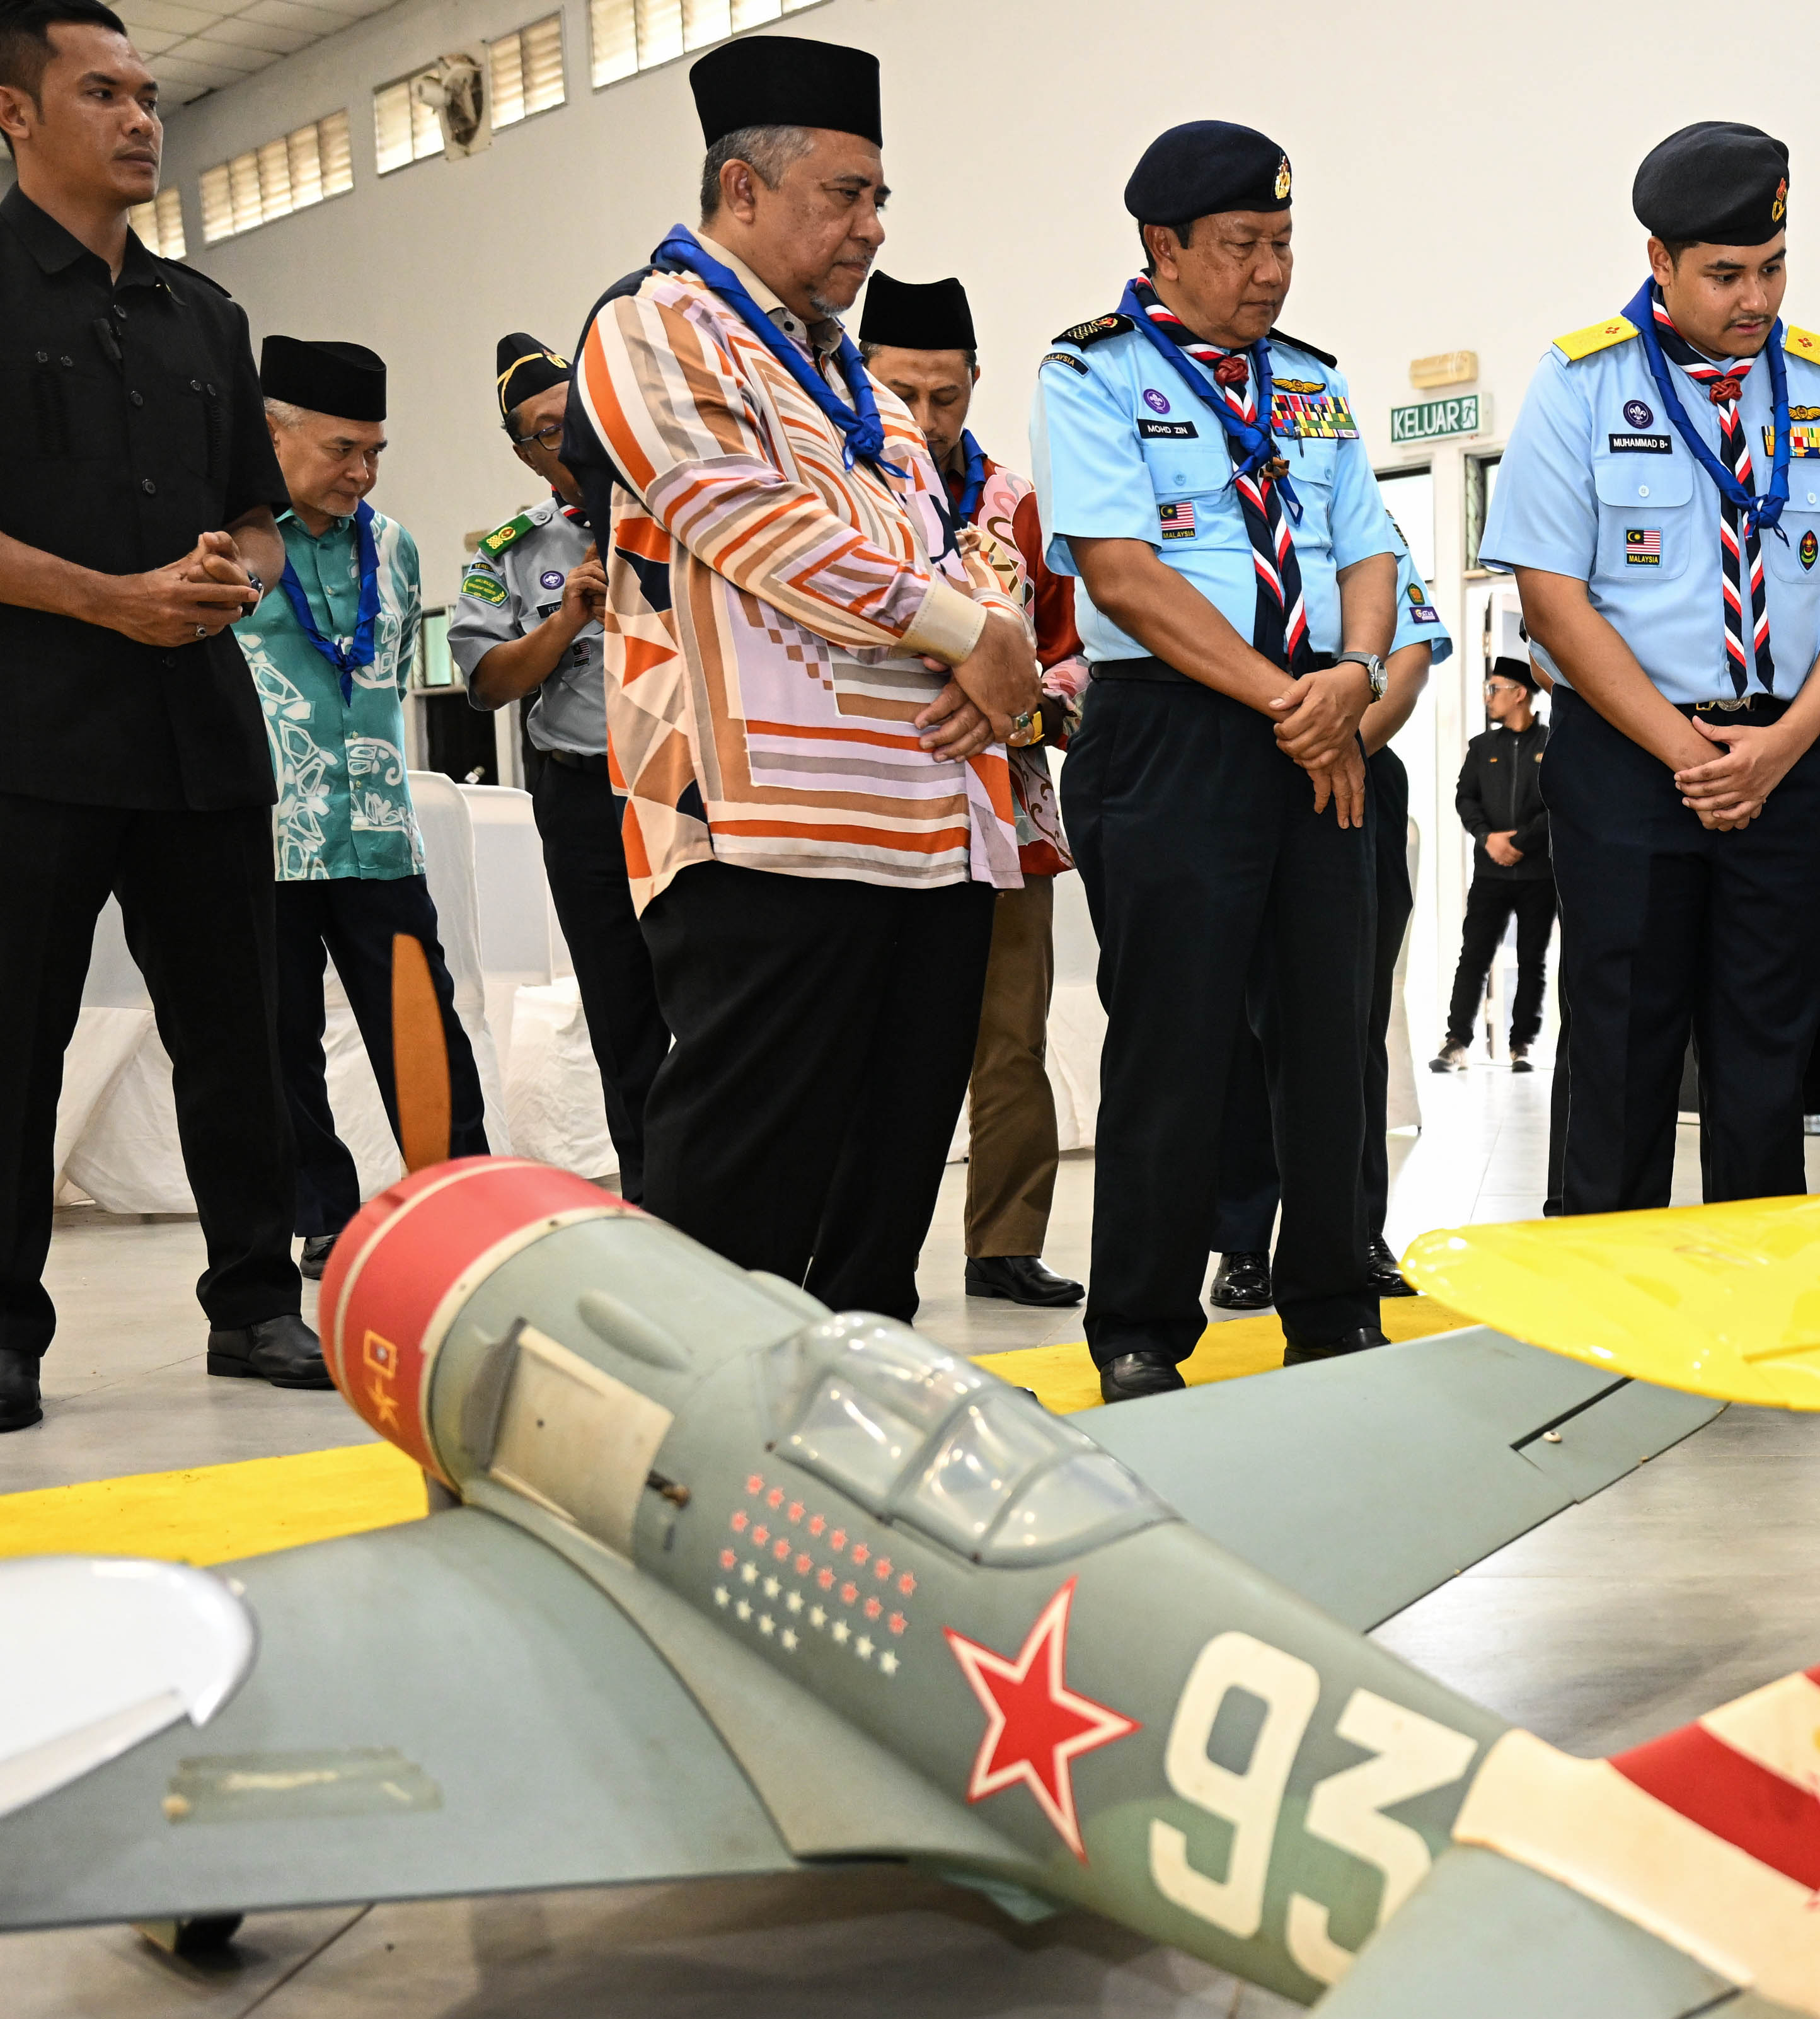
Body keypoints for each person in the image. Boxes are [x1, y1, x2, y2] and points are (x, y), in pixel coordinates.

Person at [0, 0, 329, 1433]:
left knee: (238, 1030)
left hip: (198, 730)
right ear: (13, 113)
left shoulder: (205, 314)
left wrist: (232, 578)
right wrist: (102, 599)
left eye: (148, 94)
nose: (141, 118)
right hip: (22, 734)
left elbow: (256, 523)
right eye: (103, 94)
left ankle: (255, 1300)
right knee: (14, 1035)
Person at [567, 33, 1039, 1321]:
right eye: (846, 194)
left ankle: (846, 1427)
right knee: (736, 1214)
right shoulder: (654, 326)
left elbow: (963, 543)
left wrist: (991, 624)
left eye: (878, 197)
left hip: (931, 834)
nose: (872, 226)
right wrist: (966, 630)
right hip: (765, 835)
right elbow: (750, 525)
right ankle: (680, 1429)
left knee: (883, 1222)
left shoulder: (861, 387)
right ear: (743, 188)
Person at [1030, 120, 1397, 1400]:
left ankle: (1332, 1300)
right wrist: (1295, 699)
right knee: (1173, 1044)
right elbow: (1122, 576)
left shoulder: (1310, 383)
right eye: (1242, 245)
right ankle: (1139, 1324)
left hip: (1319, 732)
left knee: (1330, 1035)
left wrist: (1354, 676)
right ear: (1164, 245)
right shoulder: (1091, 374)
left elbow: (1370, 550)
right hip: (1172, 735)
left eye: (1283, 243)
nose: (1270, 271)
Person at [1483, 123, 1820, 1215]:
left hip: (1785, 755)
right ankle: (1602, 1280)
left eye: (1772, 267)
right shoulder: (1580, 385)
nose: (1755, 298)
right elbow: (1552, 600)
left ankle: (1752, 1283)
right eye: (1725, 274)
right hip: (1630, 762)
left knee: (1769, 1048)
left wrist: (1781, 746)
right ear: (1660, 261)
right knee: (1621, 1042)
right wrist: (1690, 755)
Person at [860, 269, 1088, 1311]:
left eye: (944, 396)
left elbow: (1078, 657)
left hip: (1008, 819)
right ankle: (862, 1253)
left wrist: (1017, 706)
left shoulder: (1017, 507)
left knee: (1009, 1042)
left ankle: (1003, 1241)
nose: (923, 417)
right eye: (899, 393)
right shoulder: (836, 497)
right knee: (875, 1047)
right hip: (868, 817)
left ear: (975, 385)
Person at [236, 332, 488, 1272]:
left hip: (379, 833)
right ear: (273, 434)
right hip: (267, 829)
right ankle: (323, 1212)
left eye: (375, 451)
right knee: (279, 1038)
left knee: (422, 1021)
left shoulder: (394, 547)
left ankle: (461, 1195)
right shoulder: (228, 539)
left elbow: (391, 672)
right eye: (343, 449)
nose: (364, 473)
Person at [1206, 547, 1448, 1313]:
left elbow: (1408, 658)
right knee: (1244, 1025)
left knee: (1350, 1022)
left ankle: (1353, 1232)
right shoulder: (1225, 518)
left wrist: (1342, 744)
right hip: (1233, 764)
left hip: (1357, 771)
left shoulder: (1366, 530)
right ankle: (1242, 1241)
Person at [454, 329, 666, 1190]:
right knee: (621, 1007)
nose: (567, 437)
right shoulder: (510, 550)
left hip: (686, 786)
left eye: (573, 415)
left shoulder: (678, 512)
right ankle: (651, 1196)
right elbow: (487, 683)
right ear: (526, 454)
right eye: (546, 430)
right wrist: (565, 621)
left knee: (719, 998)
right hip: (584, 798)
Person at [1434, 653, 1553, 1072]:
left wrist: (1518, 841)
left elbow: (1558, 804)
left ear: (1520, 694)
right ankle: (1457, 1042)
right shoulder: (1482, 748)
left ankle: (1522, 1045)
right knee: (1474, 955)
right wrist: (1488, 839)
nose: (1489, 697)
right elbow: (1465, 798)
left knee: (1532, 960)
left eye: (1494, 688)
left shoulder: (1551, 744)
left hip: (1539, 874)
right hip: (1490, 873)